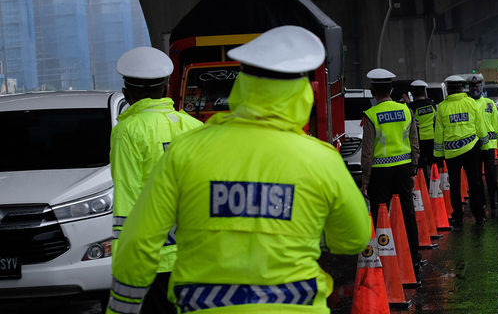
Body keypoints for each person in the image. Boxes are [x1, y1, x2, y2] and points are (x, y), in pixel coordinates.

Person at [106, 26, 369, 314]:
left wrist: (121, 308)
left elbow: (137, 243)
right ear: (304, 91)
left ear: (242, 84)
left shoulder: (186, 151)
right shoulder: (322, 159)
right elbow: (354, 238)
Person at [109, 47, 203, 314]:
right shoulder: (195, 127)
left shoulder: (127, 131)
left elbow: (126, 200)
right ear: (168, 87)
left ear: (127, 92)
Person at [359, 68, 421, 278]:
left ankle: (383, 262)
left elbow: (367, 151)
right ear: (392, 89)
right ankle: (414, 259)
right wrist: (414, 166)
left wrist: (365, 180)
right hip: (403, 169)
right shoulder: (406, 111)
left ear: (373, 91)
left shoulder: (370, 115)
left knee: (380, 214)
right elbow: (414, 141)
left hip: (379, 172)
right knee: (407, 212)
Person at [434, 75, 488, 229]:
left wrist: (438, 156)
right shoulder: (471, 103)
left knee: (455, 186)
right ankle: (479, 216)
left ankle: (458, 218)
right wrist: (485, 146)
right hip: (472, 148)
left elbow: (439, 134)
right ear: (462, 88)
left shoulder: (442, 107)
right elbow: (480, 127)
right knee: (475, 183)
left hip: (451, 153)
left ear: (449, 89)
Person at [468, 74, 498, 216]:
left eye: (478, 85)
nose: (475, 88)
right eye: (473, 86)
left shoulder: (489, 103)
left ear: (482, 85)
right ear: (469, 87)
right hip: (474, 147)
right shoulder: (467, 104)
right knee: (477, 178)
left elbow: (497, 126)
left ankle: (495, 199)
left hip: (490, 146)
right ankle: (482, 203)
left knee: (491, 176)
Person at [409, 79, 439, 182]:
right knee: (434, 165)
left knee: (421, 167)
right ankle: (437, 186)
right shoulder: (431, 104)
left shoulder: (411, 107)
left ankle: (424, 187)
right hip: (432, 139)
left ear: (413, 93)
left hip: (419, 141)